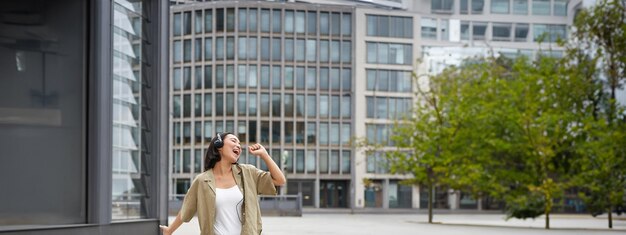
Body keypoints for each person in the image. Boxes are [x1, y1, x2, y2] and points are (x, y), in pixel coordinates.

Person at [159, 132, 286, 235]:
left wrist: (265, 155)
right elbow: (186, 209)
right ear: (219, 145)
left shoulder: (248, 173)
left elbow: (280, 180)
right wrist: (169, 230)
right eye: (233, 141)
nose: (238, 146)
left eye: (239, 144)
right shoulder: (202, 180)